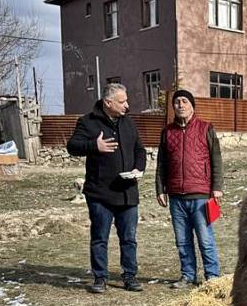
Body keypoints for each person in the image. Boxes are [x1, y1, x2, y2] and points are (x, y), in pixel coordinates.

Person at [66, 82, 146, 293]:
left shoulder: (128, 123)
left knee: (129, 238)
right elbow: (72, 147)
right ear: (107, 102)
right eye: (122, 102)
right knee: (100, 238)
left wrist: (139, 168)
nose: (127, 105)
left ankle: (130, 276)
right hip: (100, 194)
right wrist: (95, 146)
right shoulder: (87, 122)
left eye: (126, 100)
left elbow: (140, 150)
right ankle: (100, 278)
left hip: (127, 192)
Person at [156, 89, 223, 288]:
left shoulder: (206, 128)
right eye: (177, 102)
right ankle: (188, 276)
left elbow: (216, 160)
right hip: (176, 197)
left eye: (185, 101)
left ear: (192, 105)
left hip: (201, 195)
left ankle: (212, 277)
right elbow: (162, 164)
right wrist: (160, 189)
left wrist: (217, 187)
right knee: (182, 241)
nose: (180, 105)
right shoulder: (167, 132)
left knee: (205, 239)